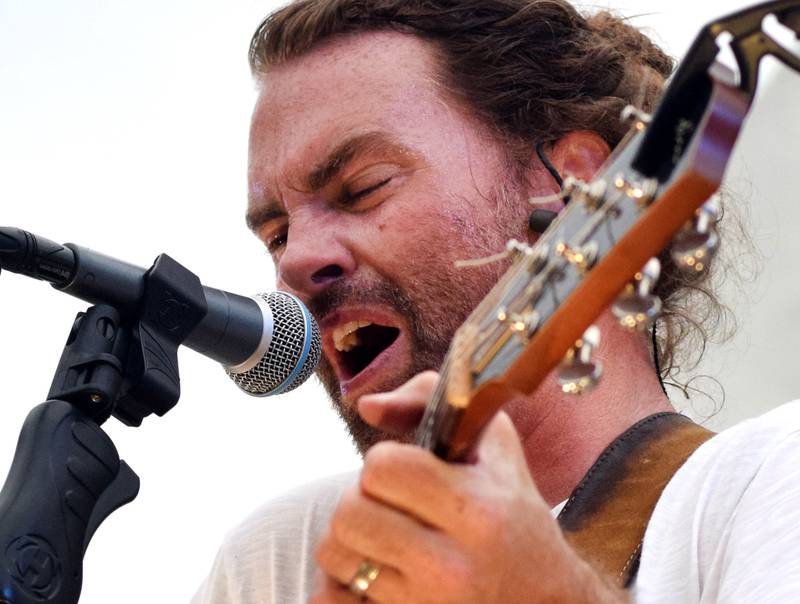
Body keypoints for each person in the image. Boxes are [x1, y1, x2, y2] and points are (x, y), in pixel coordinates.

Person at [193, 1, 800, 602]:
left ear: (575, 186)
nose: (295, 261)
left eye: (362, 188)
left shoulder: (764, 487)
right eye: (277, 236)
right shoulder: (280, 560)